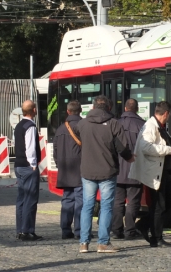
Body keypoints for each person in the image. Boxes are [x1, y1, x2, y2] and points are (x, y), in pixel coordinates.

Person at [74, 95, 135, 254]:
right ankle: (103, 243)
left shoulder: (82, 124)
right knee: (106, 207)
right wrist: (130, 158)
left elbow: (78, 139)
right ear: (109, 108)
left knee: (87, 206)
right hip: (108, 170)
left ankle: (83, 243)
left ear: (93, 107)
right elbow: (122, 148)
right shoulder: (114, 124)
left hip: (87, 170)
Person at [129, 101, 171, 248]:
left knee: (169, 201)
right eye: (169, 115)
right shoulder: (151, 126)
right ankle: (157, 238)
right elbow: (146, 147)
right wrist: (168, 150)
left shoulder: (158, 126)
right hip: (155, 172)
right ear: (166, 114)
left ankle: (143, 225)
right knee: (159, 206)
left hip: (163, 171)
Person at [111, 98, 146, 240]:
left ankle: (116, 230)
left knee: (118, 202)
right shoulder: (143, 125)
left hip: (117, 170)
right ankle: (130, 230)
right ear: (136, 109)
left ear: (125, 108)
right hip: (135, 169)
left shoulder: (115, 124)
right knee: (133, 202)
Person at [53, 100, 83, 240]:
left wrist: (61, 166)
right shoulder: (83, 126)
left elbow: (55, 152)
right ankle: (79, 231)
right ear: (80, 110)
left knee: (67, 200)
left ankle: (65, 230)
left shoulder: (60, 129)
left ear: (68, 111)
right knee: (80, 201)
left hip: (65, 171)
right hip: (80, 170)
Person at [14, 100, 42, 241]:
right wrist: (33, 165)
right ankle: (27, 230)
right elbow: (30, 147)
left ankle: (20, 230)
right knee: (30, 199)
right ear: (34, 110)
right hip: (27, 166)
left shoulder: (19, 125)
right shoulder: (30, 126)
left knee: (21, 199)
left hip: (18, 165)